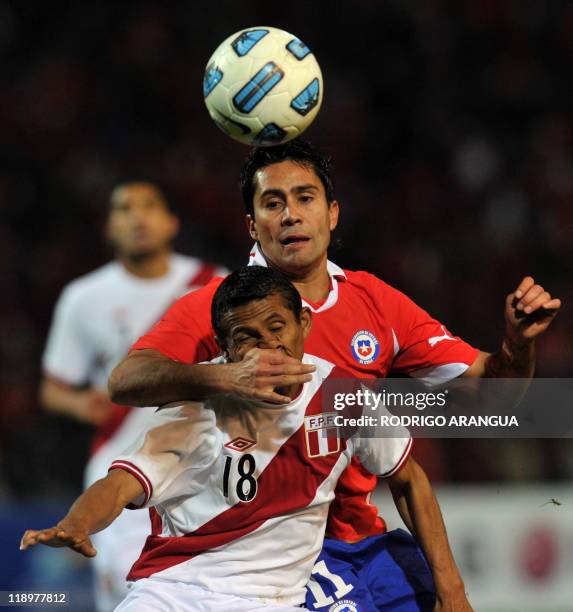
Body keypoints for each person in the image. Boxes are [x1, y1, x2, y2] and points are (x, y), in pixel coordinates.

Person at [108, 140, 561, 610]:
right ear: (252, 226)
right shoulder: (223, 306)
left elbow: (493, 397)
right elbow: (127, 380)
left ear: (332, 214)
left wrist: (517, 345)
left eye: (305, 198)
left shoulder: (373, 302)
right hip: (257, 562)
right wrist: (224, 378)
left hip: (358, 545)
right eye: (273, 203)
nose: (290, 215)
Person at [23, 266, 470, 611]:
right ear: (224, 347)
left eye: (278, 328)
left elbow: (409, 479)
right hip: (173, 593)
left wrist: (451, 589)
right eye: (247, 338)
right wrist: (78, 523)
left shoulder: (345, 397)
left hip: (272, 600)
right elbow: (117, 486)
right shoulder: (197, 412)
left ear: (305, 324)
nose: (269, 348)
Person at [40, 180, 227, 611]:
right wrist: (78, 403)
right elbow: (52, 389)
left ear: (171, 222)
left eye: (149, 206)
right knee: (130, 594)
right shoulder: (83, 298)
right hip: (118, 466)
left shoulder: (216, 285)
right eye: (124, 209)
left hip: (204, 463)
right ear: (109, 226)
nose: (138, 217)